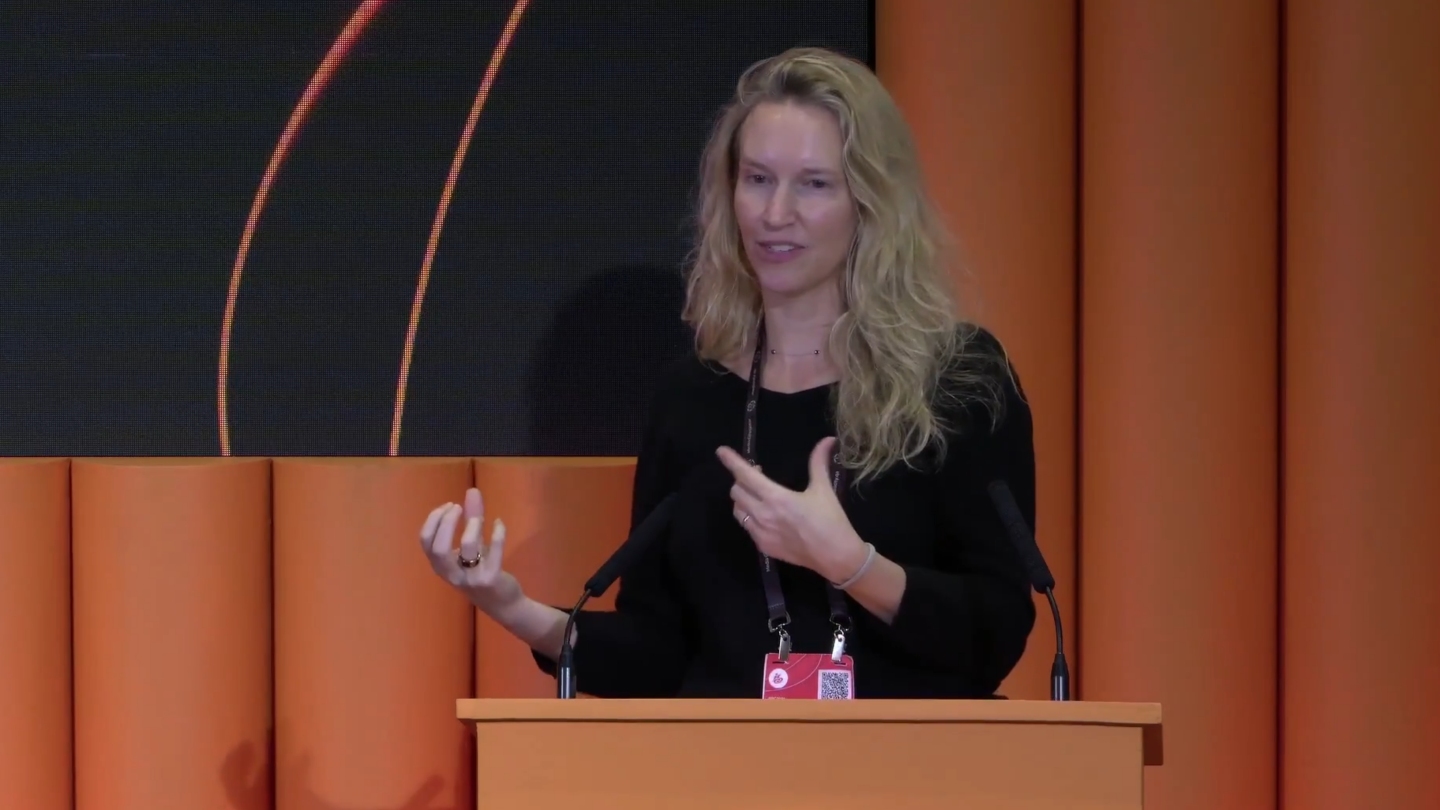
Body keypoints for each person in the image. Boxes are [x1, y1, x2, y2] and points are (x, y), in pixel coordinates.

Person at [419, 46, 1037, 699]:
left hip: (914, 758)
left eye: (814, 184)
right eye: (758, 179)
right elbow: (657, 655)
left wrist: (849, 563)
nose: (775, 214)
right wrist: (511, 606)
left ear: (871, 202)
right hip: (721, 757)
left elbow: (996, 633)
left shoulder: (957, 382)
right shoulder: (692, 399)